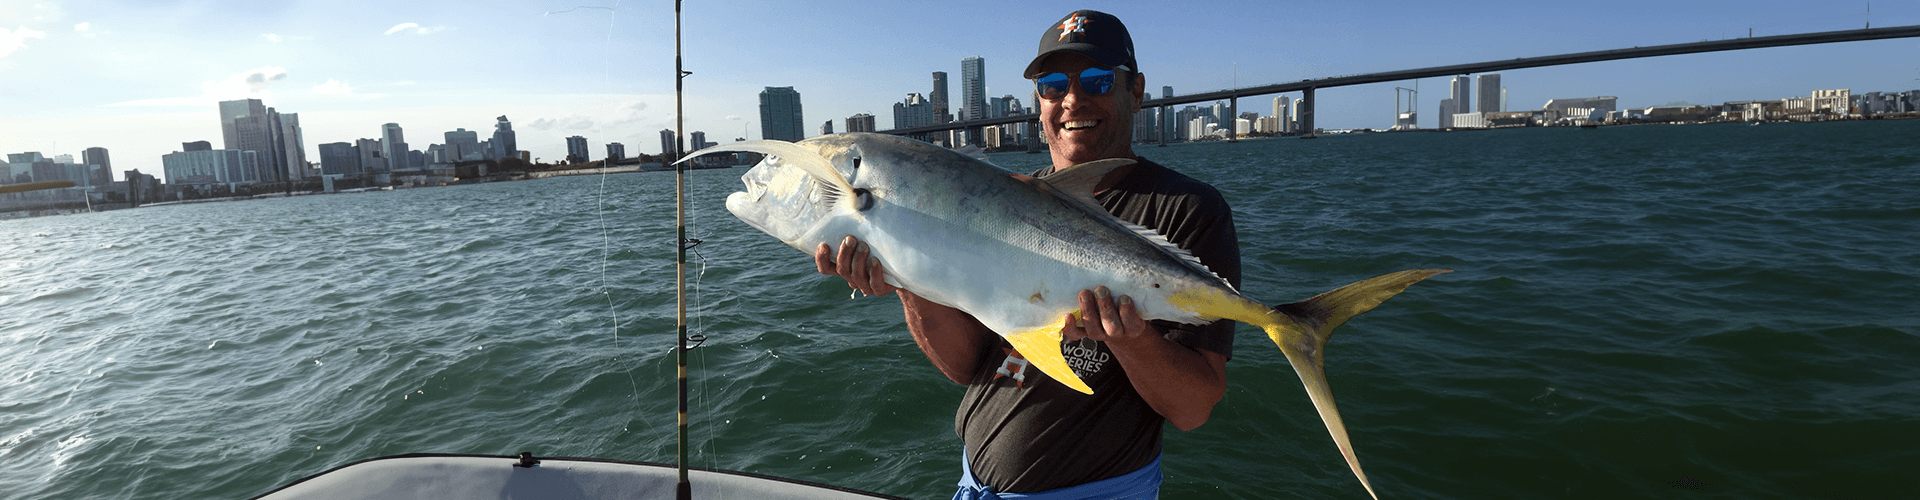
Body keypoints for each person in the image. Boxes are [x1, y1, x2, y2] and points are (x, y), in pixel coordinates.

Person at [816, 10, 1241, 499]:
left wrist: (1130, 337)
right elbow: (965, 366)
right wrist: (904, 277)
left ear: (1136, 90)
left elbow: (1193, 408)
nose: (1073, 100)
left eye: (1099, 80)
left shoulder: (1187, 208)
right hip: (971, 485)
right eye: (1053, 84)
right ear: (1038, 100)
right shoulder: (995, 198)